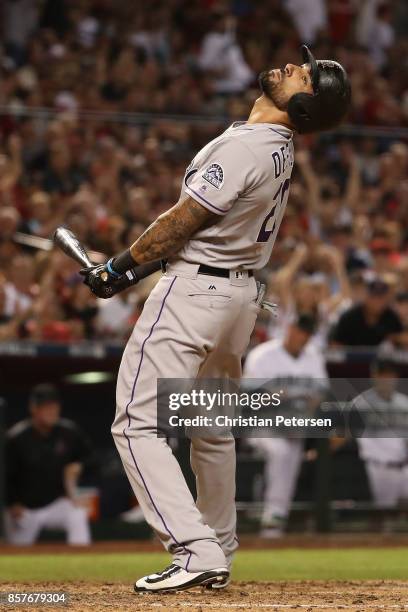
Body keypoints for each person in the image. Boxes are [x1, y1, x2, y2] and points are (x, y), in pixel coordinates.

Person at [79, 45, 351, 592]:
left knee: (135, 423)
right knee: (210, 427)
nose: (294, 68)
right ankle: (218, 544)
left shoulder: (251, 147)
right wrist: (130, 274)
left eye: (305, 77)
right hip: (235, 298)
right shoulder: (273, 146)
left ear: (302, 111)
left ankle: (195, 550)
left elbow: (183, 222)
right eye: (303, 66)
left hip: (197, 293)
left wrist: (118, 267)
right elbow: (195, 232)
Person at [243, 314, 328, 537]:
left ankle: (276, 519)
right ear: (289, 328)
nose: (303, 336)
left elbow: (319, 394)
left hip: (295, 424)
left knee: (291, 457)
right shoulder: (262, 355)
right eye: (299, 330)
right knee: (281, 453)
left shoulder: (313, 356)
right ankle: (274, 515)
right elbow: (249, 396)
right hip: (261, 424)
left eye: (307, 333)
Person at [5, 384, 92, 545]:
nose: (52, 411)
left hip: (55, 504)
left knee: (77, 514)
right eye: (46, 407)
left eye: (55, 406)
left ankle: (82, 561)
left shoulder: (69, 432)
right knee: (17, 553)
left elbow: (91, 460)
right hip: (25, 509)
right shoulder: (16, 438)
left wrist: (80, 466)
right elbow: (4, 476)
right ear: (34, 409)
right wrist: (12, 503)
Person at [353, 358, 408, 508]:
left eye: (389, 374)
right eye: (381, 374)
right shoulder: (361, 403)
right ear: (373, 376)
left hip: (404, 468)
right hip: (378, 468)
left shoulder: (403, 403)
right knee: (382, 517)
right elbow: (343, 433)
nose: (385, 379)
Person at [331, 276, 403, 347]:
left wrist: (396, 338)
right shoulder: (350, 317)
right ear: (366, 297)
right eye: (374, 296)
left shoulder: (391, 316)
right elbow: (336, 345)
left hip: (383, 358)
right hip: (352, 358)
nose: (378, 301)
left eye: (381, 297)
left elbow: (403, 338)